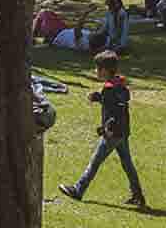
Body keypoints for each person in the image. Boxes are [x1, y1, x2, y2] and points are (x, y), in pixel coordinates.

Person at [57, 50, 146, 205]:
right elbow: (116, 103)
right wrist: (98, 97)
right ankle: (138, 195)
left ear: (104, 70)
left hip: (112, 134)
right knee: (127, 164)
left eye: (97, 69)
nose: (96, 71)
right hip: (123, 132)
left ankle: (78, 190)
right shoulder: (120, 85)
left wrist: (106, 129)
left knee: (95, 162)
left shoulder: (109, 88)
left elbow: (113, 111)